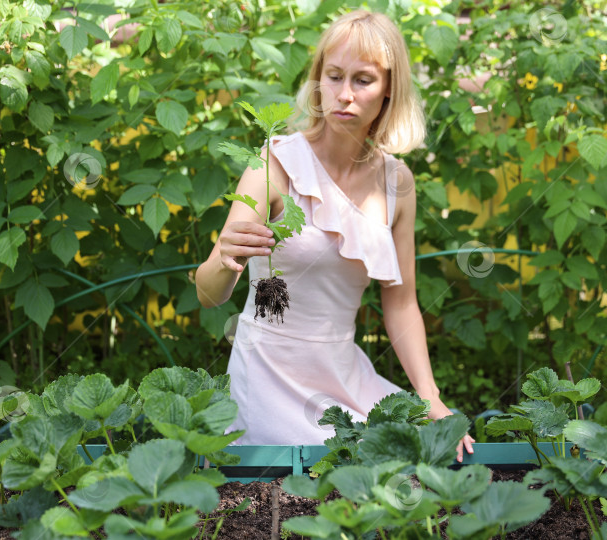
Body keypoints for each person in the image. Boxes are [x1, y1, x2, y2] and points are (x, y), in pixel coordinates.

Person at [196, 9, 474, 461]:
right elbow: (210, 295)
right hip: (269, 373)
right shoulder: (274, 163)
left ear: (389, 90)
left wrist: (429, 397)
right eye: (334, 76)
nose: (344, 95)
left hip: (343, 376)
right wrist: (224, 260)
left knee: (423, 463)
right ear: (317, 81)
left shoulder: (396, 182)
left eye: (362, 80)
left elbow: (401, 303)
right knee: (335, 481)